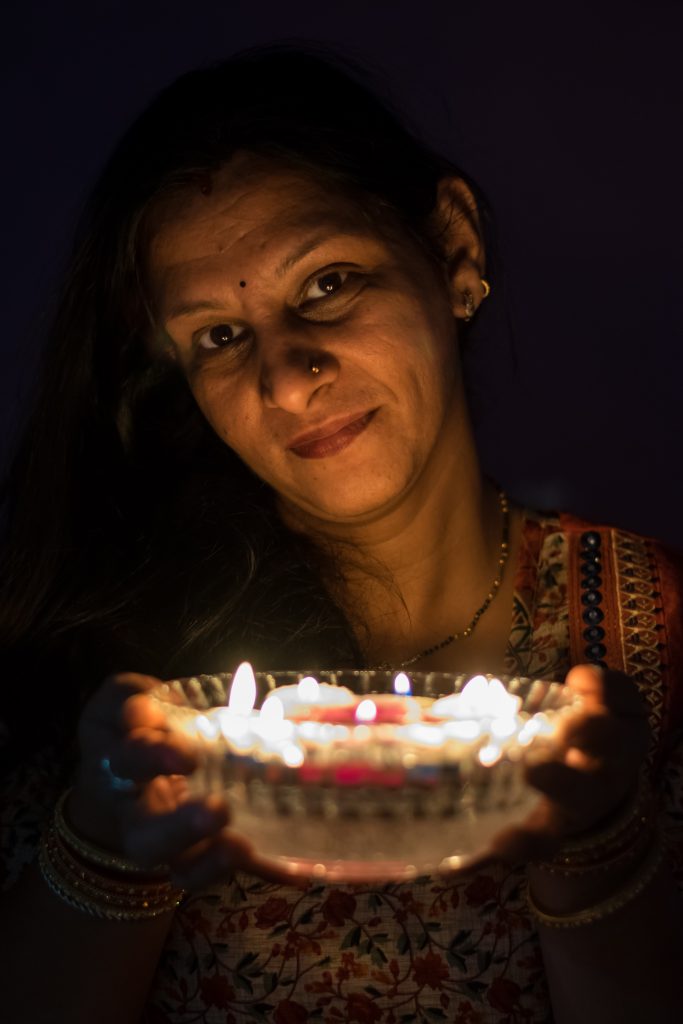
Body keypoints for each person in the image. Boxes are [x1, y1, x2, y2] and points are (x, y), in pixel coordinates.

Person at [0, 47, 681, 1024]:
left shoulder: (651, 629)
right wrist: (105, 850)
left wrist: (597, 849)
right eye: (219, 337)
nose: (286, 380)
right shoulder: (110, 661)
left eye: (326, 284)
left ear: (452, 250)